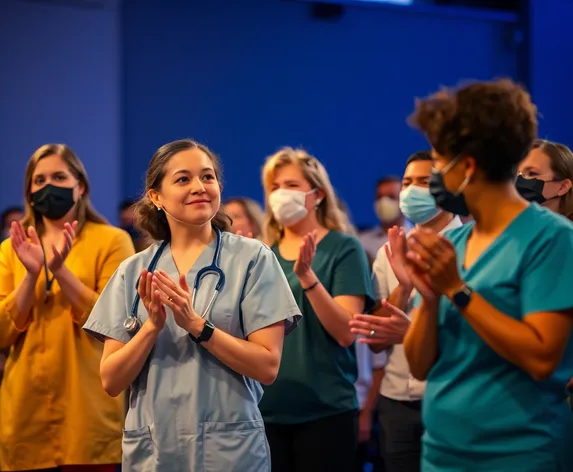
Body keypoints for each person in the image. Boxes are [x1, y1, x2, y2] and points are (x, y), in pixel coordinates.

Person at [83, 139, 301, 472]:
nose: (199, 187)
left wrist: (197, 326)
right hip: (154, 452)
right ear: (156, 197)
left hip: (229, 452)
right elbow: (111, 381)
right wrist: (152, 328)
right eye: (183, 179)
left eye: (208, 177)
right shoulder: (133, 271)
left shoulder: (253, 260)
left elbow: (267, 367)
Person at [399, 79, 573, 471]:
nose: (436, 175)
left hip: (518, 454)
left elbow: (542, 357)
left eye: (440, 163)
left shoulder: (552, 239)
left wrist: (457, 291)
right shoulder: (454, 242)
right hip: (443, 451)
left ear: (468, 166)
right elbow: (419, 365)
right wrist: (428, 298)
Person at [0, 144, 135, 471]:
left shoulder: (112, 241)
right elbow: (2, 334)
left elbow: (117, 323)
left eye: (59, 176)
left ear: (81, 186)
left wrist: (59, 270)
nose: (48, 186)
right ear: (29, 191)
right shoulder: (10, 249)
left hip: (88, 413)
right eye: (39, 179)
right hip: (25, 416)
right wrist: (32, 275)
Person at [258, 147, 375, 472]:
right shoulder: (261, 254)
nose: (282, 194)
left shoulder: (343, 248)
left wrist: (308, 278)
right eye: (275, 187)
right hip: (265, 410)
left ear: (318, 194)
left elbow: (345, 332)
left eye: (292, 185)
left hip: (325, 411)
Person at [350, 150, 461, 472]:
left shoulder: (471, 244)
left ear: (446, 189)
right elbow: (375, 339)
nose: (412, 190)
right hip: (396, 399)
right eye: (408, 181)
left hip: (449, 395)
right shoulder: (389, 251)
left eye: (424, 182)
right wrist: (405, 285)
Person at [516, 138, 573, 411]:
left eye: (532, 175)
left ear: (563, 186)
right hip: (519, 383)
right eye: (518, 174)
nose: (521, 181)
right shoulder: (515, 237)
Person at [359, 175, 412, 263]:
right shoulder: (363, 242)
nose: (384, 202)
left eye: (391, 197)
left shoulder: (415, 239)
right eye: (379, 197)